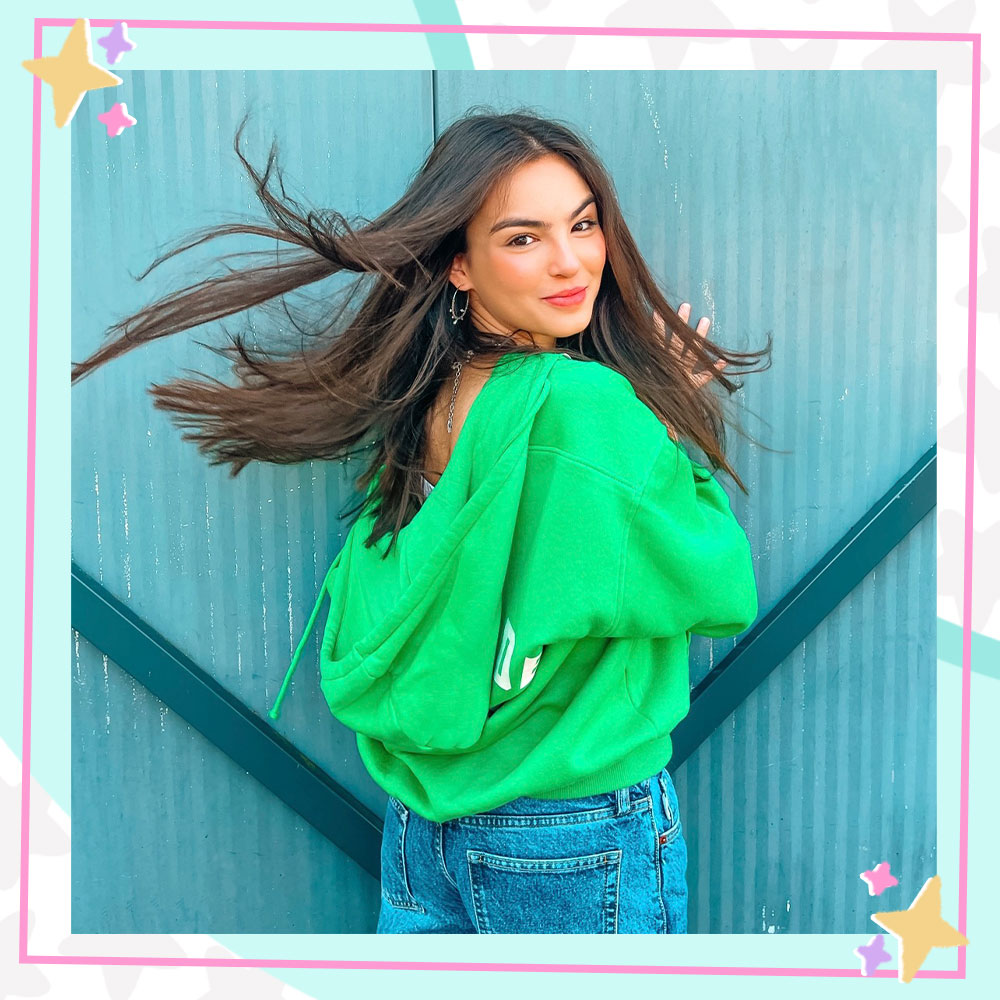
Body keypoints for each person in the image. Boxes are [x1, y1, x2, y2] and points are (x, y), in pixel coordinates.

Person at [72, 106, 773, 934]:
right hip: (577, 830)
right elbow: (717, 582)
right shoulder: (587, 405)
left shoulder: (432, 398)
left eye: (583, 224)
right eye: (523, 238)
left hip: (423, 825)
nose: (570, 261)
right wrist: (666, 432)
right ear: (460, 265)